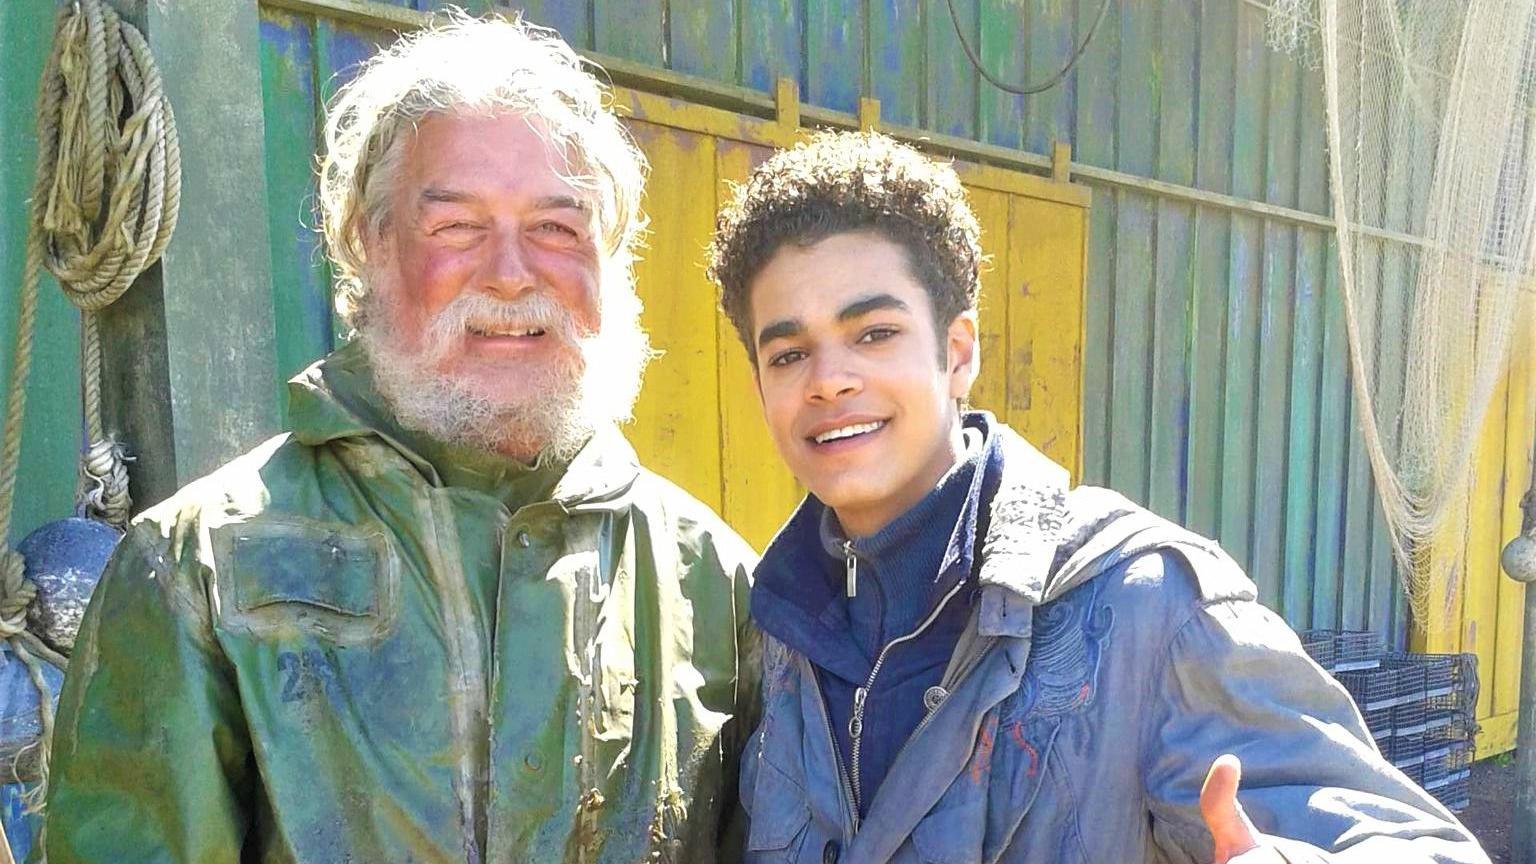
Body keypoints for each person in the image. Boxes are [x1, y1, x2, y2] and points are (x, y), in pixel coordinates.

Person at [46, 15, 758, 864]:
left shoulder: (712, 579)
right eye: (456, 227)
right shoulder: (199, 563)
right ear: (367, 241)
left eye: (558, 228)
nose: (511, 272)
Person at [706, 130, 1489, 863]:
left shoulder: (1145, 606)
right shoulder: (778, 633)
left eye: (874, 333)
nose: (829, 379)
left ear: (956, 352)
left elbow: (1415, 844)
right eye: (789, 352)